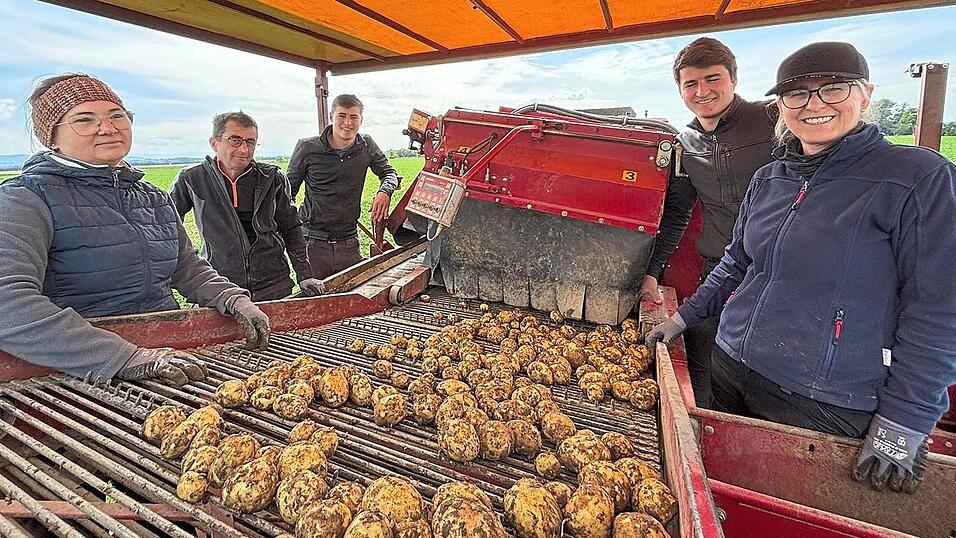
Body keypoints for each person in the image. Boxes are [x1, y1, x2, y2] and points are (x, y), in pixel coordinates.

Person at [649, 42, 956, 493]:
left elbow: (938, 311)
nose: (813, 105)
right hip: (733, 369)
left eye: (832, 90)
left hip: (822, 401)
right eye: (797, 95)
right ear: (780, 106)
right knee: (720, 493)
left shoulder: (915, 178)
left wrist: (905, 421)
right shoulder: (770, 178)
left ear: (865, 95)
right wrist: (683, 317)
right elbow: (736, 260)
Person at [0, 74, 271, 387]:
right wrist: (124, 357)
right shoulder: (25, 199)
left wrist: (234, 299)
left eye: (117, 116)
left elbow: (187, 267)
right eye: (84, 119)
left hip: (168, 355)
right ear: (53, 137)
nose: (108, 127)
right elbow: (8, 304)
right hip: (79, 373)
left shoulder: (151, 197)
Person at [642, 37, 777, 407]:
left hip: (777, 270)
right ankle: (702, 427)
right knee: (704, 365)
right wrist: (653, 272)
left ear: (733, 78)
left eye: (712, 79)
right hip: (718, 268)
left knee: (764, 373)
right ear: (680, 89)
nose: (702, 91)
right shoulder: (684, 143)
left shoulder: (773, 120)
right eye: (691, 83)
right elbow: (677, 213)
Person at [170, 111, 325, 301]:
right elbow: (168, 229)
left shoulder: (272, 178)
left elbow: (291, 228)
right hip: (221, 286)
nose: (244, 149)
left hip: (273, 283)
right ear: (214, 143)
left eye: (250, 142)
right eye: (235, 140)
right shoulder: (192, 179)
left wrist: (305, 274)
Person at [287, 94, 399, 279]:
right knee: (314, 301)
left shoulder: (366, 145)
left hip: (348, 242)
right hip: (313, 243)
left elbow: (389, 173)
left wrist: (385, 191)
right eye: (342, 115)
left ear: (361, 120)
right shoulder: (307, 147)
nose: (347, 122)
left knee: (351, 297)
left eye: (354, 117)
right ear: (332, 116)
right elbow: (287, 192)